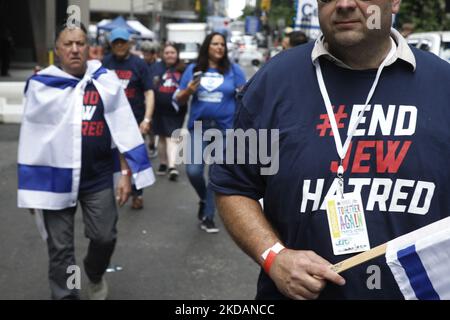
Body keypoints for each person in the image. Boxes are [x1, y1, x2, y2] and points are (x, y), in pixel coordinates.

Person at [210, 0, 450, 299]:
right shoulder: (273, 82)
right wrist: (274, 256)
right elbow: (233, 185)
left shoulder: (443, 86)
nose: (345, 4)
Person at [17, 23, 155, 300]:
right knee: (60, 248)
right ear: (57, 50)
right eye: (68, 44)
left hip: (98, 176)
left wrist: (126, 172)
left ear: (89, 47)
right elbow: (31, 139)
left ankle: (93, 272)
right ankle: (67, 294)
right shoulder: (42, 85)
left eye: (80, 43)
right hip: (55, 178)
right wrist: (31, 188)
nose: (75, 49)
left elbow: (122, 129)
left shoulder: (105, 80)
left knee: (105, 236)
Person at [175, 32, 246, 233]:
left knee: (216, 173)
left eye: (222, 44)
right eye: (215, 44)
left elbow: (244, 98)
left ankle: (208, 216)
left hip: (225, 130)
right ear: (207, 46)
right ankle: (204, 199)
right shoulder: (193, 69)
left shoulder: (234, 70)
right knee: (194, 171)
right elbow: (178, 99)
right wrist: (188, 90)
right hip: (199, 128)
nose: (219, 47)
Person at [103, 28, 155, 210]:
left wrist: (147, 119)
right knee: (112, 158)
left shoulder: (139, 64)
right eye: (116, 42)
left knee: (134, 157)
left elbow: (149, 92)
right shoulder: (105, 63)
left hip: (135, 121)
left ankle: (137, 191)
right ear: (111, 44)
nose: (119, 45)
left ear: (129, 44)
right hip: (109, 121)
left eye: (122, 42)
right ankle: (115, 187)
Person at [151, 43, 187, 180]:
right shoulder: (155, 68)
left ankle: (172, 166)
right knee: (160, 136)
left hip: (176, 109)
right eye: (167, 53)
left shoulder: (184, 69)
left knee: (172, 136)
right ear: (162, 54)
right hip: (158, 108)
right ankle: (163, 163)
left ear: (177, 54)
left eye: (172, 52)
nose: (170, 55)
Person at [140, 40, 160, 159]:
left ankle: (152, 144)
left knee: (151, 126)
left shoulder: (157, 66)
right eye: (144, 53)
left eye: (147, 53)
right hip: (141, 101)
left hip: (154, 101)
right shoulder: (141, 64)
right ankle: (143, 146)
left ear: (153, 54)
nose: (145, 56)